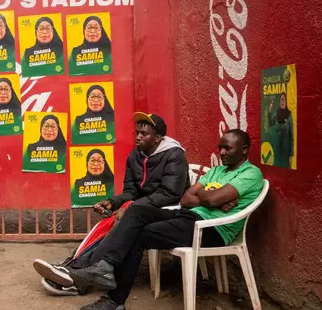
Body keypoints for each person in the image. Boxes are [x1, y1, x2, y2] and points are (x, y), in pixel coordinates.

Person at [70, 129, 264, 310]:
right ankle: (105, 265)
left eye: (227, 148)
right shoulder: (218, 171)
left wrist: (207, 197)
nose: (222, 152)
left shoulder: (251, 174)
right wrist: (215, 200)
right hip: (188, 216)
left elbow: (207, 198)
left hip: (211, 230)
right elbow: (186, 199)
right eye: (220, 147)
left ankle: (115, 300)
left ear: (244, 149)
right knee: (137, 210)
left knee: (140, 235)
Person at [34, 112, 189, 295]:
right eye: (137, 132)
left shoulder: (174, 155)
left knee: (123, 220)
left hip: (169, 210)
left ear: (158, 138)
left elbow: (170, 193)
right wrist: (112, 202)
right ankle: (73, 267)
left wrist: (131, 207)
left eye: (144, 134)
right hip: (143, 207)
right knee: (107, 223)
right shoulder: (135, 155)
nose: (138, 137)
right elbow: (131, 192)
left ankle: (76, 273)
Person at [268, 92, 294, 168]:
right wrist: (270, 111)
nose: (283, 101)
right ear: (279, 101)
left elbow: (291, 135)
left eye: (284, 99)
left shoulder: (289, 114)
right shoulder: (276, 114)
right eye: (281, 99)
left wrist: (291, 155)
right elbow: (270, 123)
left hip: (285, 152)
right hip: (277, 151)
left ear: (286, 101)